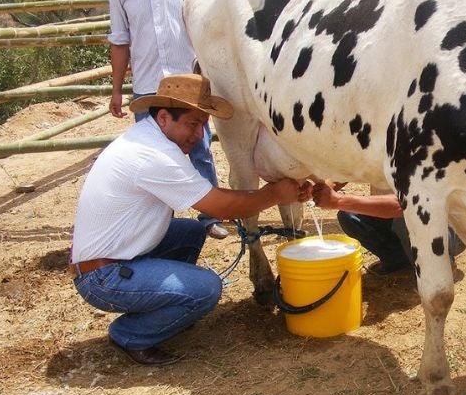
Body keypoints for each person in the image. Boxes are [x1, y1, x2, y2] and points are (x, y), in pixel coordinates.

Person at [70, 74, 312, 366]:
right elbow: (219, 206)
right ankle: (131, 333)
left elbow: (210, 194)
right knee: (207, 289)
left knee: (190, 233)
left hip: (113, 256)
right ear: (163, 117)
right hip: (101, 277)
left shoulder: (148, 138)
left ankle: (167, 304)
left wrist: (271, 192)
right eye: (192, 124)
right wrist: (274, 193)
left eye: (203, 125)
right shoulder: (153, 155)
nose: (199, 135)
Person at [107, 0, 229, 239]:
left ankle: (211, 216)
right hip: (147, 86)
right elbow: (119, 41)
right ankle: (158, 224)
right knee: (152, 158)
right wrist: (116, 89)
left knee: (199, 148)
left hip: (186, 82)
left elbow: (203, 18)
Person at [312, 183, 466, 275]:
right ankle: (397, 259)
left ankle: (440, 265)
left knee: (405, 218)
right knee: (348, 216)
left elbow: (402, 205)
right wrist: (315, 188)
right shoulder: (376, 142)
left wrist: (338, 200)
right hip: (395, 215)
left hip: (446, 228)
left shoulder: (416, 144)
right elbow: (342, 174)